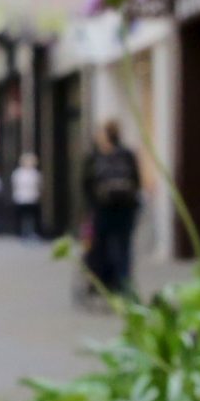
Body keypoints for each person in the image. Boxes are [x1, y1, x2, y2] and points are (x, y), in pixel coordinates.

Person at [80, 122, 145, 299]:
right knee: (123, 247)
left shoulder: (94, 157)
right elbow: (137, 181)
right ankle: (123, 283)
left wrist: (90, 209)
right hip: (126, 209)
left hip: (103, 209)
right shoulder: (127, 155)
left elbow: (85, 185)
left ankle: (103, 284)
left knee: (101, 246)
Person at [10, 151, 42, 239]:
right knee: (22, 217)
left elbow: (39, 185)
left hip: (32, 198)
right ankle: (22, 233)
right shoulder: (18, 173)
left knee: (31, 217)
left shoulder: (35, 173)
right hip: (21, 198)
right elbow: (15, 185)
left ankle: (31, 232)